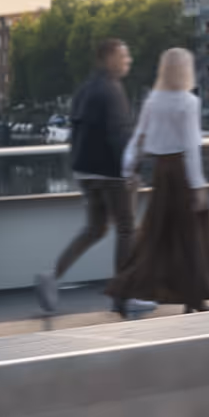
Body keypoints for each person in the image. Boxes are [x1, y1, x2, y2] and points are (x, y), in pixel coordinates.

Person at [104, 48, 209, 316]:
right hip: (182, 172)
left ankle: (126, 288)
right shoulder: (188, 102)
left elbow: (139, 136)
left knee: (155, 234)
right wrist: (198, 186)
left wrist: (128, 169)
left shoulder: (153, 100)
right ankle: (195, 298)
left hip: (161, 172)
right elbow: (191, 146)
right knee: (192, 236)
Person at [37, 38, 136, 313]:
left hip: (84, 169)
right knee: (127, 228)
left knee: (95, 228)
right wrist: (129, 172)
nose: (128, 61)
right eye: (123, 56)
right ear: (108, 58)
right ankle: (123, 295)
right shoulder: (112, 90)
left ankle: (52, 274)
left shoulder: (85, 88)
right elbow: (119, 135)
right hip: (110, 171)